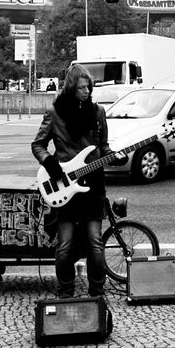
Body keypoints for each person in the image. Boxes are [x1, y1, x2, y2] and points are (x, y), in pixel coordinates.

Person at [31, 64, 125, 298]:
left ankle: (97, 292)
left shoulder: (98, 112)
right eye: (81, 87)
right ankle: (65, 292)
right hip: (63, 183)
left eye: (88, 87)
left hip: (93, 185)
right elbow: (38, 145)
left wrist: (115, 157)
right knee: (64, 246)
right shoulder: (55, 112)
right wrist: (51, 165)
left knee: (95, 242)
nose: (86, 91)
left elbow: (103, 147)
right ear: (72, 88)